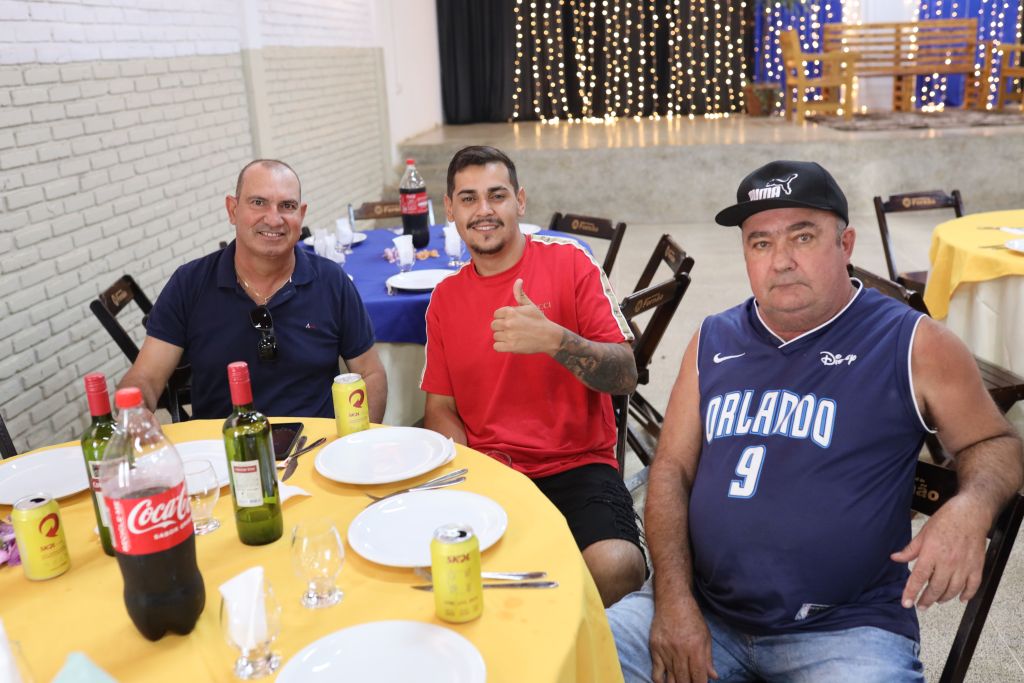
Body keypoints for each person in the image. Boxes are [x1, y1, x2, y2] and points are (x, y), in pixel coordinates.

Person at [607, 160, 1024, 682]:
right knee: (568, 657)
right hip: (703, 607)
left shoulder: (914, 343)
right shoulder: (713, 339)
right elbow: (670, 471)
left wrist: (971, 506)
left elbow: (997, 442)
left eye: (802, 237)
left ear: (845, 244)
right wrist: (672, 600)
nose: (781, 261)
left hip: (847, 631)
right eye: (761, 243)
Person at [420, 145, 645, 607]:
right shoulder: (445, 298)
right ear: (450, 210)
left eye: (497, 195)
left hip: (577, 465)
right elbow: (440, 407)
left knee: (618, 565)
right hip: (491, 471)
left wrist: (555, 340)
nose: (484, 210)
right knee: (440, 576)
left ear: (520, 201)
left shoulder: (571, 262)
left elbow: (626, 375)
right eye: (468, 198)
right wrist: (466, 475)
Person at [119, 159, 387, 421]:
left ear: (301, 214)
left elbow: (371, 373)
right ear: (232, 210)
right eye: (258, 203)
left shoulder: (331, 282)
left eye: (287, 206)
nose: (274, 219)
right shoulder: (189, 284)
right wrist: (136, 412)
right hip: (224, 444)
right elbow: (146, 377)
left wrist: (357, 441)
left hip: (316, 444)